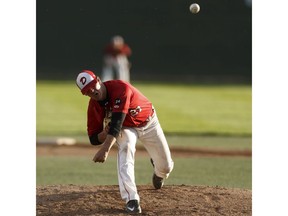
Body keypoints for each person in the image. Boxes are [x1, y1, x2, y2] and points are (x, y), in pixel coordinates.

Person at [76, 70, 174, 214]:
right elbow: (93, 138)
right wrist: (104, 133)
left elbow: (116, 123)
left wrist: (105, 149)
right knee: (126, 147)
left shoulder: (121, 88)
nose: (92, 91)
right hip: (126, 128)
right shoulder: (94, 105)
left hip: (149, 122)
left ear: (98, 80)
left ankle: (159, 170)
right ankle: (131, 199)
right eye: (87, 91)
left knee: (166, 166)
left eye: (92, 86)